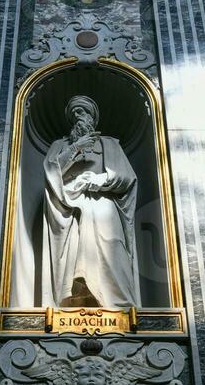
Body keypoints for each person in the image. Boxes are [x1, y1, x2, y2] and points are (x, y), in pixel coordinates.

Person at [42, 95, 140, 308]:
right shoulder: (60, 145)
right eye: (75, 112)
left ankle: (118, 304)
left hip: (104, 203)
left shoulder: (110, 144)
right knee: (76, 251)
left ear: (93, 117)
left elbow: (126, 177)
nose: (79, 116)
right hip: (71, 205)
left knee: (112, 245)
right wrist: (75, 148)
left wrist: (101, 179)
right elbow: (51, 170)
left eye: (83, 112)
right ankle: (75, 299)